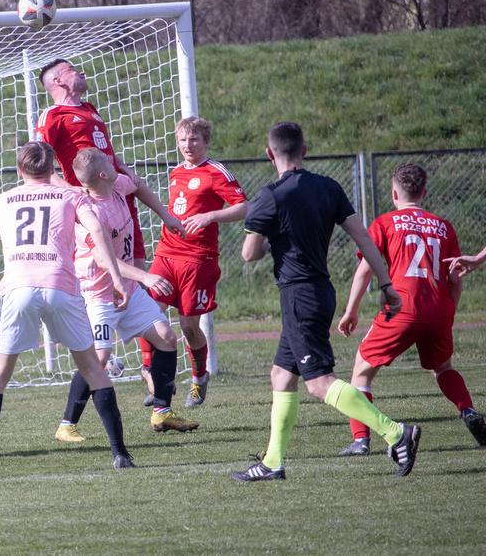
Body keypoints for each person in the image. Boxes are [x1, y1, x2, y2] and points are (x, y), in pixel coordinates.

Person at [233, 122, 420, 482]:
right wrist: (386, 284)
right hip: (321, 290)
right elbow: (364, 239)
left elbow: (247, 253)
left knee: (318, 383)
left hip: (298, 295)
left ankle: (396, 432)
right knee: (281, 375)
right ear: (305, 150)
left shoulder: (270, 195)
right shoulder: (329, 187)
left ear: (269, 153)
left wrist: (271, 239)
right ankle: (273, 462)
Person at [0, 141, 135, 479]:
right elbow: (97, 231)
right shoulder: (70, 196)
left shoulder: (1, 200)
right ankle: (120, 454)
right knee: (94, 369)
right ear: (52, 169)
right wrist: (116, 278)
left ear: (20, 170)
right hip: (60, 288)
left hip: (18, 289)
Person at [35, 58, 183, 400]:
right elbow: (41, 163)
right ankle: (96, 356)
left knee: (139, 292)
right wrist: (73, 193)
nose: (82, 71)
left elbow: (116, 164)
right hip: (93, 214)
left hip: (122, 207)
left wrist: (164, 213)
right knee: (110, 286)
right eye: (74, 69)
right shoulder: (52, 116)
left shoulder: (90, 109)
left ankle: (155, 387)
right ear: (58, 79)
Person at [337, 163, 486, 453]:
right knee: (442, 367)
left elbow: (366, 268)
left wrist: (350, 310)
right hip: (438, 308)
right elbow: (455, 278)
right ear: (425, 193)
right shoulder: (444, 227)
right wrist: (447, 315)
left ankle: (360, 440)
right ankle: (468, 411)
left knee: (362, 372)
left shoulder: (385, 223)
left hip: (402, 306)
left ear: (394, 193)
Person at [54, 148, 199, 442]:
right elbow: (108, 261)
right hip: (99, 295)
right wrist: (146, 276)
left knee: (166, 338)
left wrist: (166, 215)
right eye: (109, 162)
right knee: (99, 356)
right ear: (103, 174)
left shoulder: (116, 183)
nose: (114, 161)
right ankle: (66, 424)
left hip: (128, 289)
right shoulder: (89, 214)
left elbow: (139, 186)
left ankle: (162, 412)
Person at [149, 116, 248, 408]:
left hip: (198, 259)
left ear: (205, 142)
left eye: (193, 139)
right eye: (182, 140)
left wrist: (210, 216)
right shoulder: (176, 172)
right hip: (167, 253)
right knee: (148, 313)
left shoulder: (215, 171)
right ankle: (154, 380)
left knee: (189, 325)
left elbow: (244, 206)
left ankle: (199, 378)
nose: (187, 145)